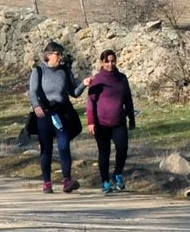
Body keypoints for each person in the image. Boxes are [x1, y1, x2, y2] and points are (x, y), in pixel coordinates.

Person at [28, 40, 84, 193]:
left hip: (62, 113)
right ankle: (47, 182)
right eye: (57, 54)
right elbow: (33, 91)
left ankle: (67, 180)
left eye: (61, 54)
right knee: (46, 148)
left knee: (64, 145)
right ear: (48, 55)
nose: (60, 57)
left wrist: (84, 84)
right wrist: (36, 106)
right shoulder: (38, 71)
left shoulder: (64, 71)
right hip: (44, 114)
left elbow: (74, 92)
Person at [85, 48, 138, 194]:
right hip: (101, 123)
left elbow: (128, 100)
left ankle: (117, 173)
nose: (110, 64)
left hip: (119, 121)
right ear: (102, 62)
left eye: (112, 61)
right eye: (107, 61)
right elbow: (90, 102)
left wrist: (131, 118)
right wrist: (91, 122)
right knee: (104, 153)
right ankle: (105, 182)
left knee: (122, 148)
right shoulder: (97, 79)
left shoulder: (122, 78)